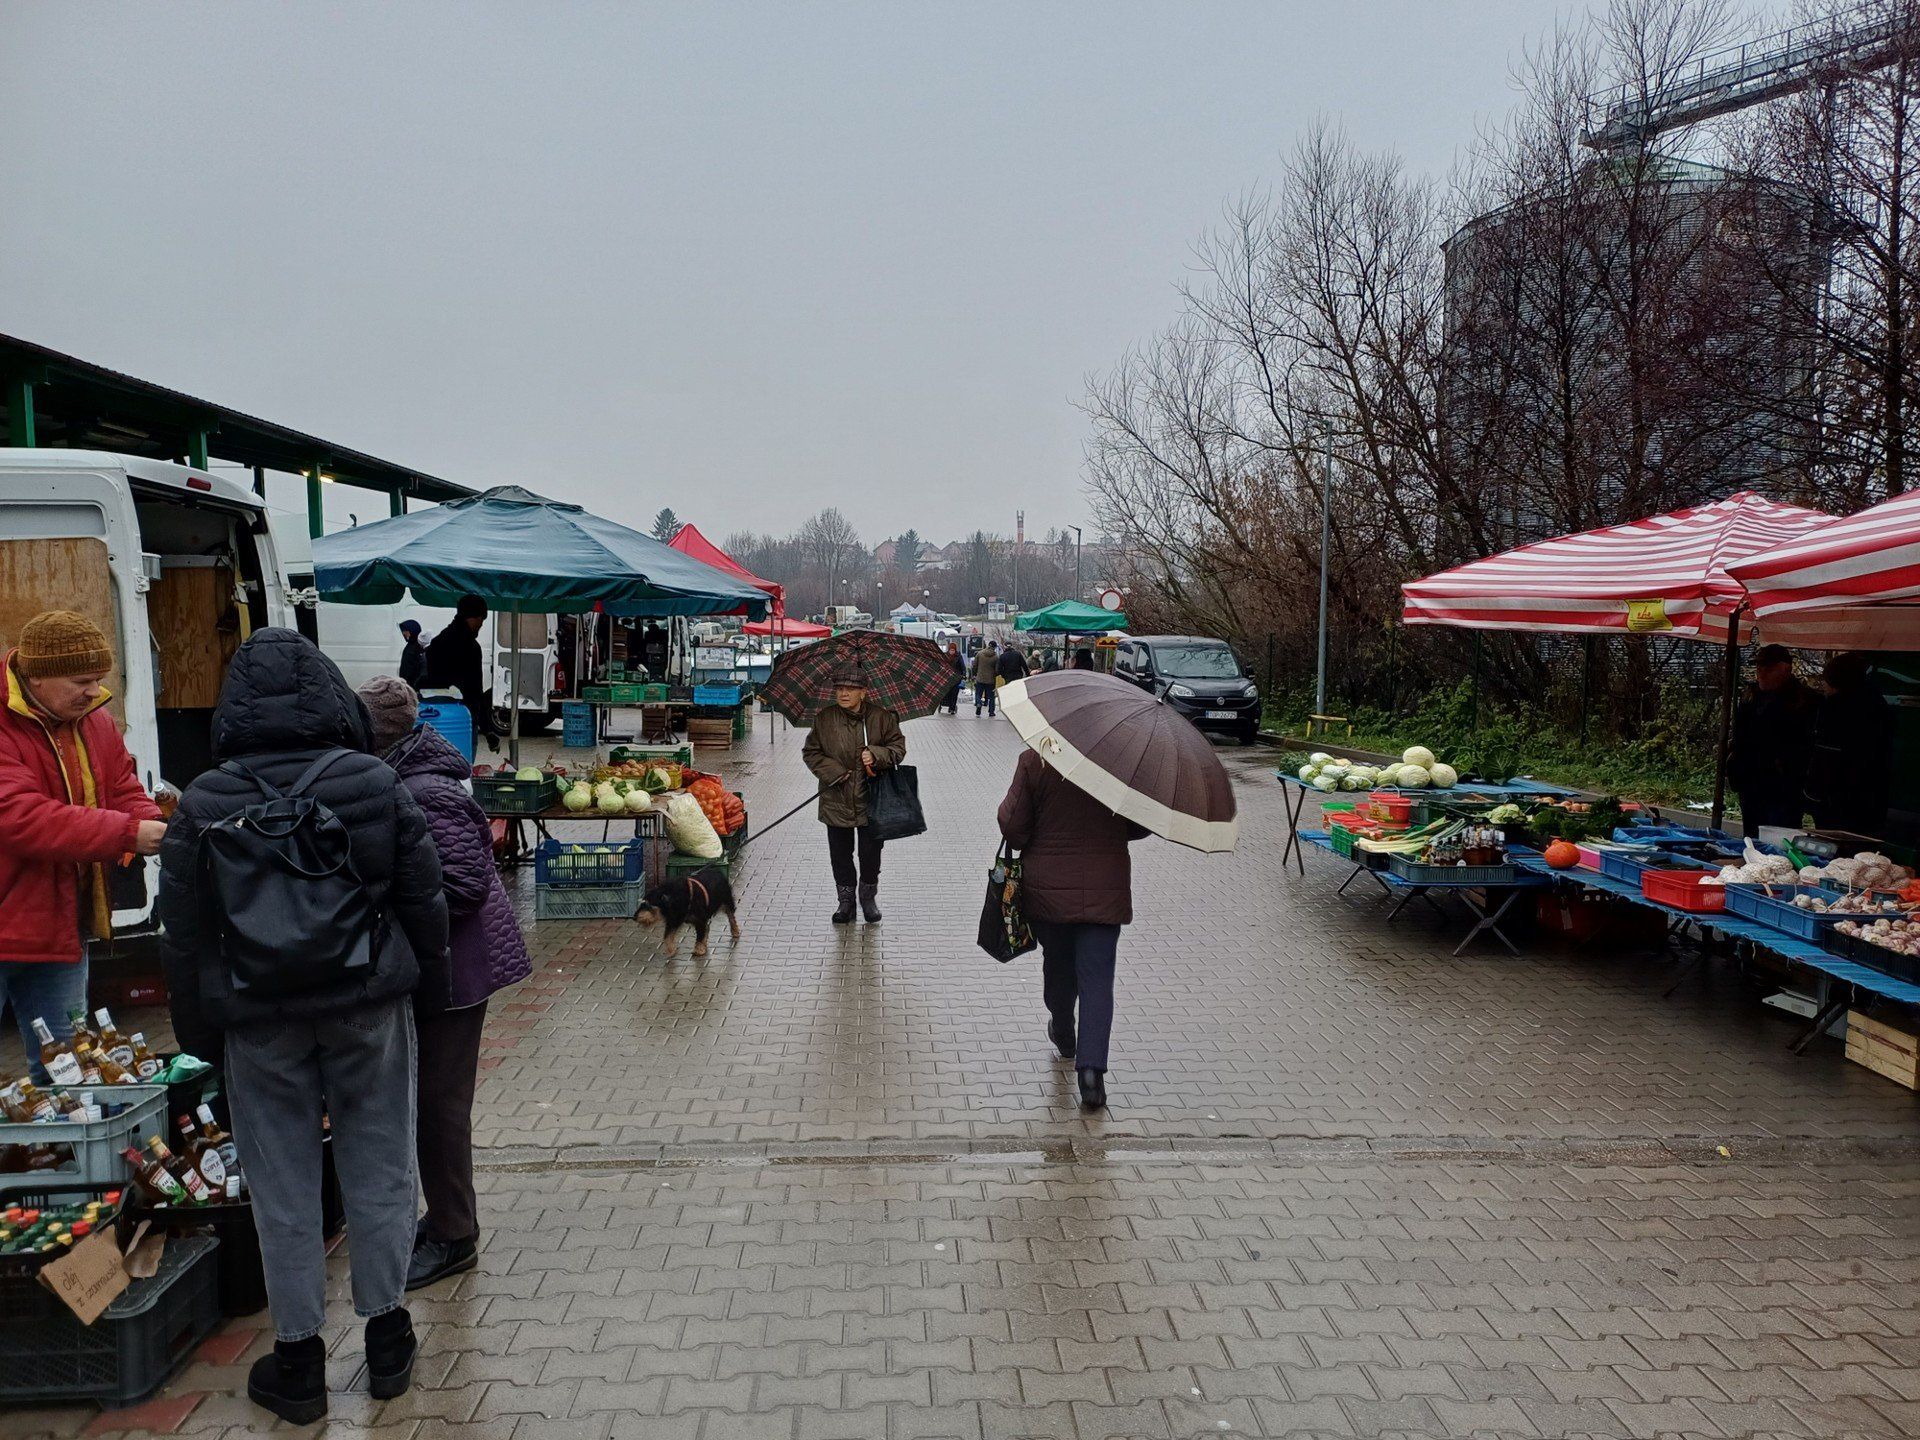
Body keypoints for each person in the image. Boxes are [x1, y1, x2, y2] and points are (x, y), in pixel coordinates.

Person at [157, 630, 449, 1425]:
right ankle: (388, 1340)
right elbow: (425, 898)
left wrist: (200, 1037)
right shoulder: (372, 780)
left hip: (257, 1017)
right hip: (368, 1005)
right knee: (382, 1163)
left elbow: (180, 932)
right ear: (329, 695)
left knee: (282, 1185)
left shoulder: (205, 799)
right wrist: (425, 994)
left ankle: (298, 1363)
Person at [359, 677, 531, 1292]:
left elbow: (461, 885)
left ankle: (455, 1234)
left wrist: (381, 905)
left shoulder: (426, 790)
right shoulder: (407, 778)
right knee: (432, 1101)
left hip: (456, 969)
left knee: (439, 1104)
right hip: (444, 963)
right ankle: (444, 1219)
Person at [0, 612, 166, 1081]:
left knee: (67, 1072)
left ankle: (61, 1155)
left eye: (97, 679)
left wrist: (152, 822)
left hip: (60, 924)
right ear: (34, 675)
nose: (94, 692)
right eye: (81, 680)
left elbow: (122, 784)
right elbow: (18, 816)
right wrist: (125, 833)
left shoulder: (95, 722)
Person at [997, 746, 1147, 1111]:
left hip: (1048, 891)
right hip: (1105, 888)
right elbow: (1141, 823)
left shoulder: (1037, 757)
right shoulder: (1121, 760)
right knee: (1098, 981)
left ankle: (1063, 1030)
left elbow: (1013, 827)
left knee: (1059, 967)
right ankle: (1092, 1075)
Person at [801, 666, 905, 924]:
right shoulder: (824, 718)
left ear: (863, 692)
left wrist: (877, 754)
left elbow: (898, 748)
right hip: (836, 796)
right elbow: (811, 752)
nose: (844, 693)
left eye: (850, 689)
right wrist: (834, 772)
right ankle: (845, 901)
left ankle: (868, 897)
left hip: (873, 798)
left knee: (871, 853)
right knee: (840, 853)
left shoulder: (882, 717)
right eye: (839, 689)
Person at [1727, 643, 1815, 833]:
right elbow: (1740, 736)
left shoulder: (1801, 700)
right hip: (1750, 781)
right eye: (1758, 668)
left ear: (1785, 669)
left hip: (1782, 786)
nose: (1761, 673)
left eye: (1768, 669)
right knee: (1752, 834)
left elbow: (1801, 744)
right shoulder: (1751, 696)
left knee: (1779, 835)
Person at [1806, 652, 1896, 836]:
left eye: (1826, 680)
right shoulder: (1879, 705)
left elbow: (1825, 759)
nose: (1823, 686)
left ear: (1835, 682)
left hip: (1838, 801)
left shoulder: (1835, 709)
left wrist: (1812, 796)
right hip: (1872, 799)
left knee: (1835, 853)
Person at [424, 594, 499, 754]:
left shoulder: (437, 642)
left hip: (437, 718)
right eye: (481, 620)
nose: (481, 624)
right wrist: (487, 729)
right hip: (462, 719)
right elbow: (475, 691)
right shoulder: (471, 647)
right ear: (476, 618)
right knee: (463, 770)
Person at [396, 620, 428, 692]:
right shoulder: (416, 645)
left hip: (411, 687)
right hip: (411, 686)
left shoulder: (413, 648)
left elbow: (410, 671)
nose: (403, 633)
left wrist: (406, 686)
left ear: (412, 631)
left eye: (405, 631)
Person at [973, 642, 1000, 716]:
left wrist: (975, 674)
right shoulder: (996, 657)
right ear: (995, 647)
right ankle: (991, 712)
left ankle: (978, 703)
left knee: (978, 694)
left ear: (988, 645)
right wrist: (995, 675)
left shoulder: (980, 653)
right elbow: (997, 670)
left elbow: (974, 665)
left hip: (980, 678)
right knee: (991, 697)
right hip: (991, 680)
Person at [943, 641, 965, 715]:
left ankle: (952, 708)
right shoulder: (945, 656)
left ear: (955, 650)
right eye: (950, 650)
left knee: (954, 694)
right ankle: (950, 706)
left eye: (953, 650)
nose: (952, 651)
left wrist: (964, 674)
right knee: (948, 693)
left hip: (956, 679)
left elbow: (962, 666)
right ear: (948, 649)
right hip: (948, 678)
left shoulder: (958, 656)